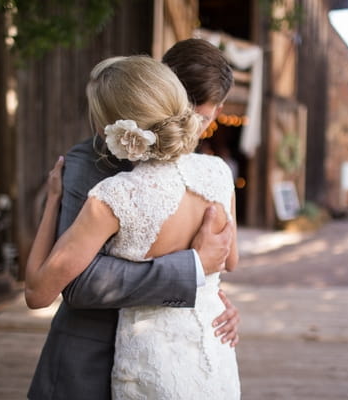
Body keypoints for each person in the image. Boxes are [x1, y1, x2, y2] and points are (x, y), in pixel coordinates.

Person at [27, 39, 237, 400]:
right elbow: (77, 284)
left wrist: (213, 298)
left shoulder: (203, 170)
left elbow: (221, 261)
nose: (207, 121)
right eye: (202, 114)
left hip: (181, 359)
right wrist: (192, 269)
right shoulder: (91, 162)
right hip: (89, 366)